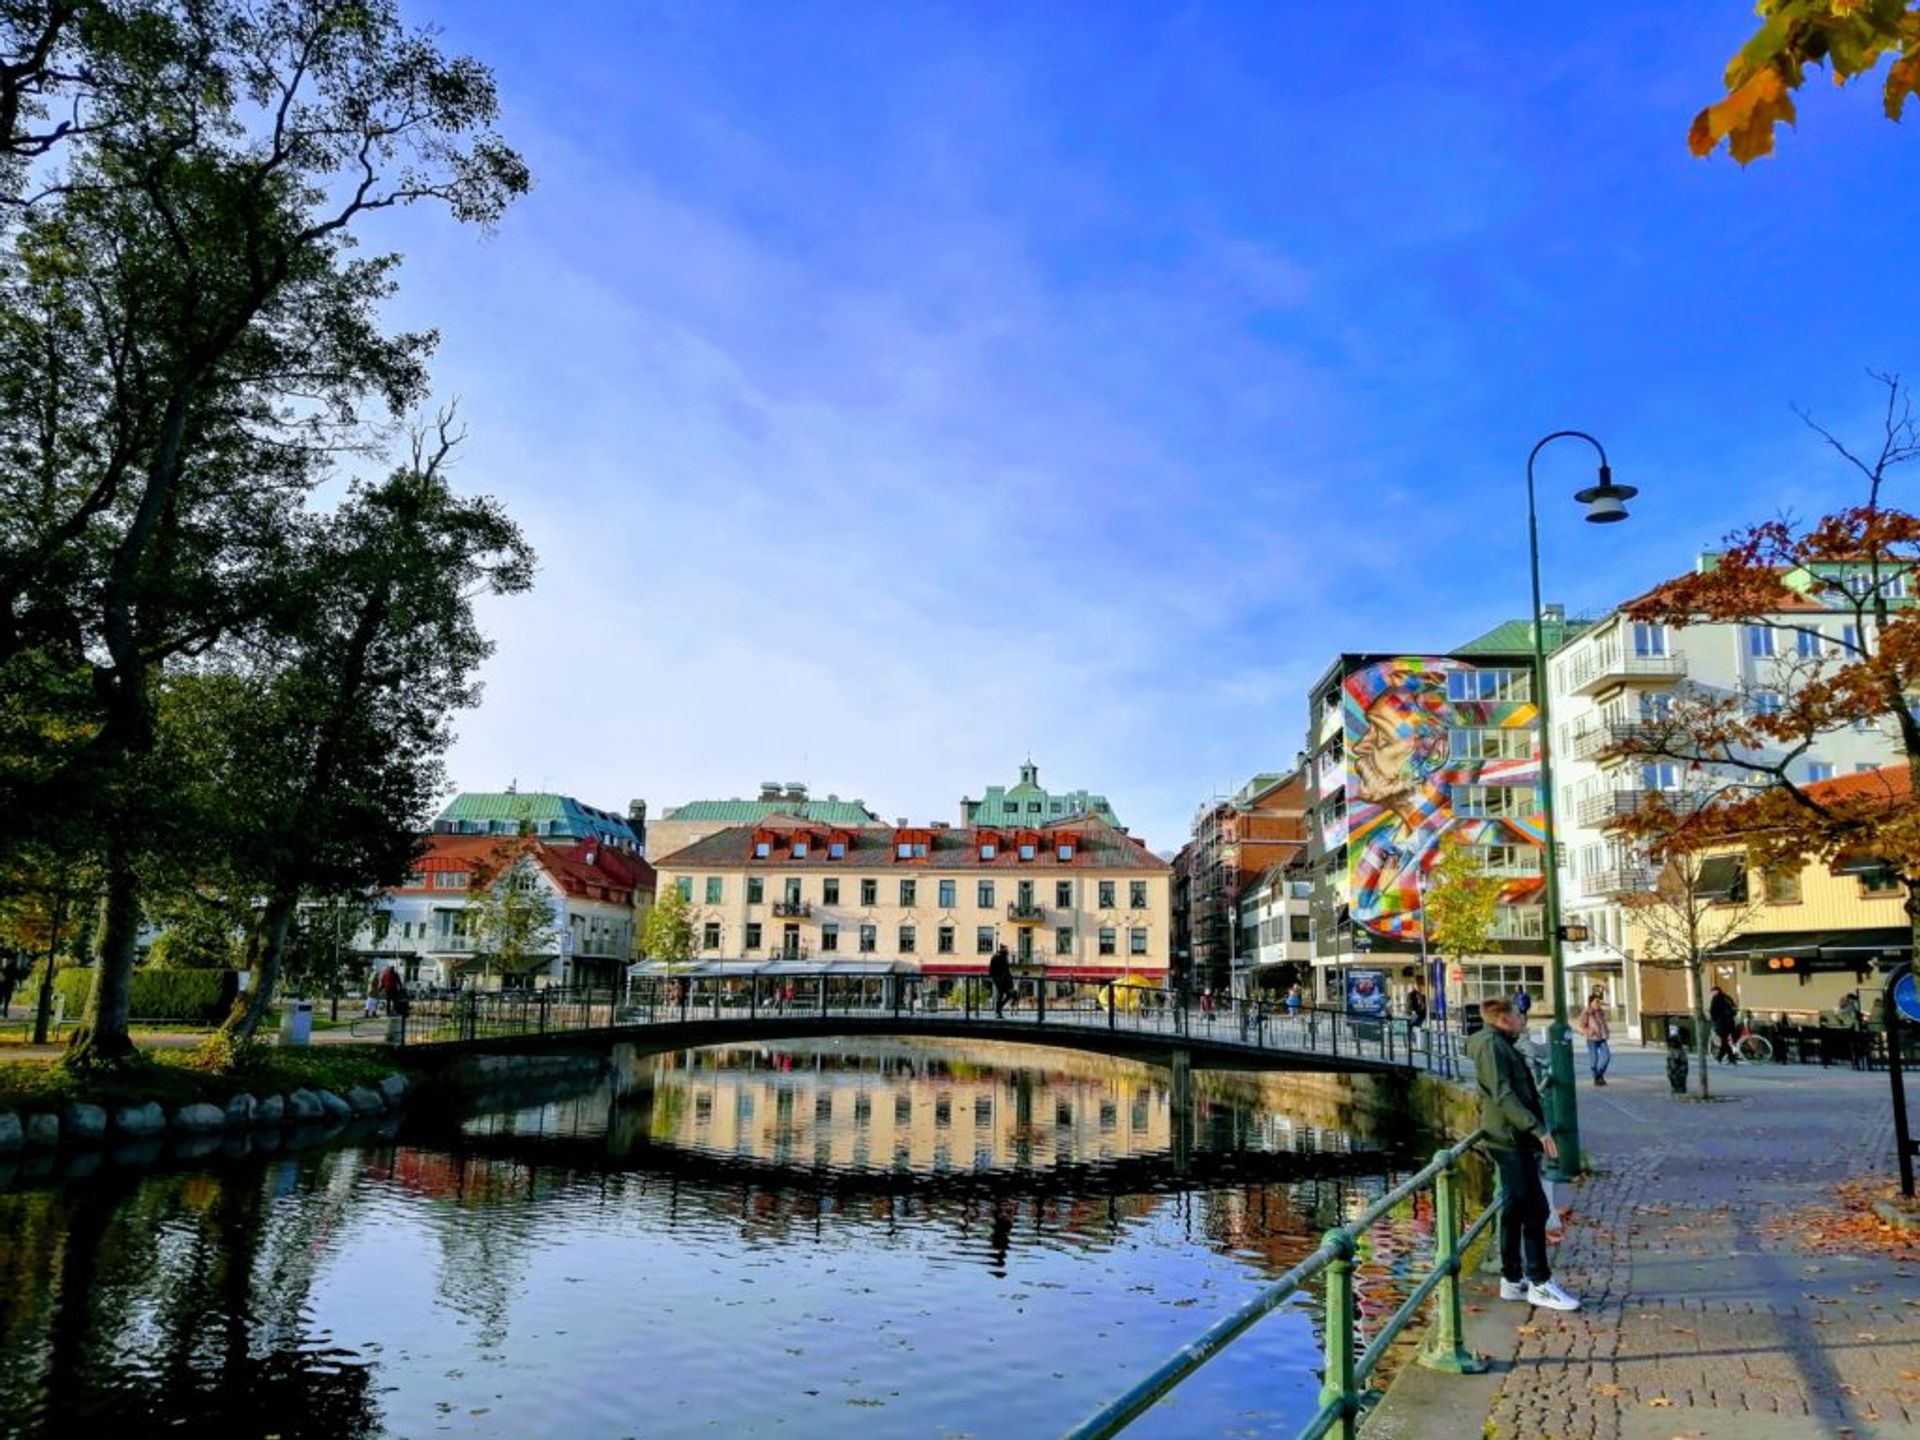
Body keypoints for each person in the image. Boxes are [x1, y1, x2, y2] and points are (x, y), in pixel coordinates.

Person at [1465, 998, 1580, 1312]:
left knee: (1515, 1207)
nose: (1523, 1019)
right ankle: (1540, 1282)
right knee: (1535, 1208)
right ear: (1503, 1018)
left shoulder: (1498, 1043)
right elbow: (1503, 1093)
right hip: (1509, 1138)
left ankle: (1512, 1279)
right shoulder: (1492, 1047)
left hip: (1509, 1135)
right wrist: (1537, 1130)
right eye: (1518, 1015)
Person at [1576, 991, 1612, 1086]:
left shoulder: (1601, 1012)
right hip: (1592, 1039)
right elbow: (1580, 1026)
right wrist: (1588, 1032)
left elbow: (1603, 1023)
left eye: (1599, 1002)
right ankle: (1598, 1078)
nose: (1598, 1004)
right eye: (1596, 1002)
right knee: (1594, 1059)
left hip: (1602, 1038)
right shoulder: (1586, 1012)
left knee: (1606, 1057)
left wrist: (1607, 1031)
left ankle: (1599, 1075)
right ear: (1590, 1003)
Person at [1708, 984, 1739, 1064]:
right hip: (1730, 1023)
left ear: (1716, 991)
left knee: (1724, 1041)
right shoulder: (1727, 997)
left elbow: (1713, 1012)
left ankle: (1721, 1058)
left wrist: (1714, 1022)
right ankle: (1730, 1058)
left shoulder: (1716, 999)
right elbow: (1734, 1009)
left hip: (1722, 1023)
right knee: (1726, 1041)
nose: (1712, 994)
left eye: (1713, 992)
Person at [988, 945, 1014, 1018]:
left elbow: (991, 970)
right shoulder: (1002, 957)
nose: (1008, 950)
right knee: (1008, 994)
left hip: (998, 979)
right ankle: (998, 1010)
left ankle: (998, 1011)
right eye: (1006, 949)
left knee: (1001, 995)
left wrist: (994, 978)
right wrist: (1010, 982)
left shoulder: (996, 956)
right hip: (1002, 980)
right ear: (1003, 949)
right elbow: (1006, 970)